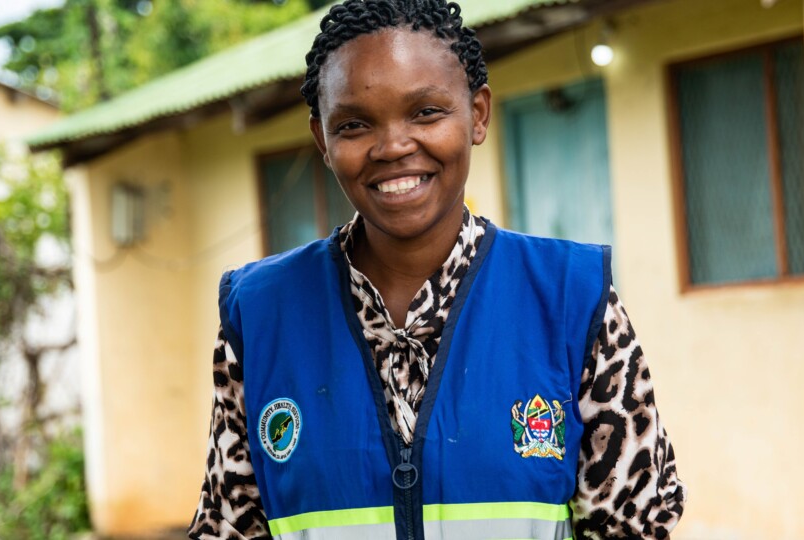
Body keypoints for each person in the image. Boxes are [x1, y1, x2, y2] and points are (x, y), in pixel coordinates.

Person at [188, 1, 685, 538]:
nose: (394, 146)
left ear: (478, 115)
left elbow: (633, 526)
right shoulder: (261, 314)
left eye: (425, 112)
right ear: (322, 141)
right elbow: (230, 527)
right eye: (354, 124)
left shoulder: (571, 298)